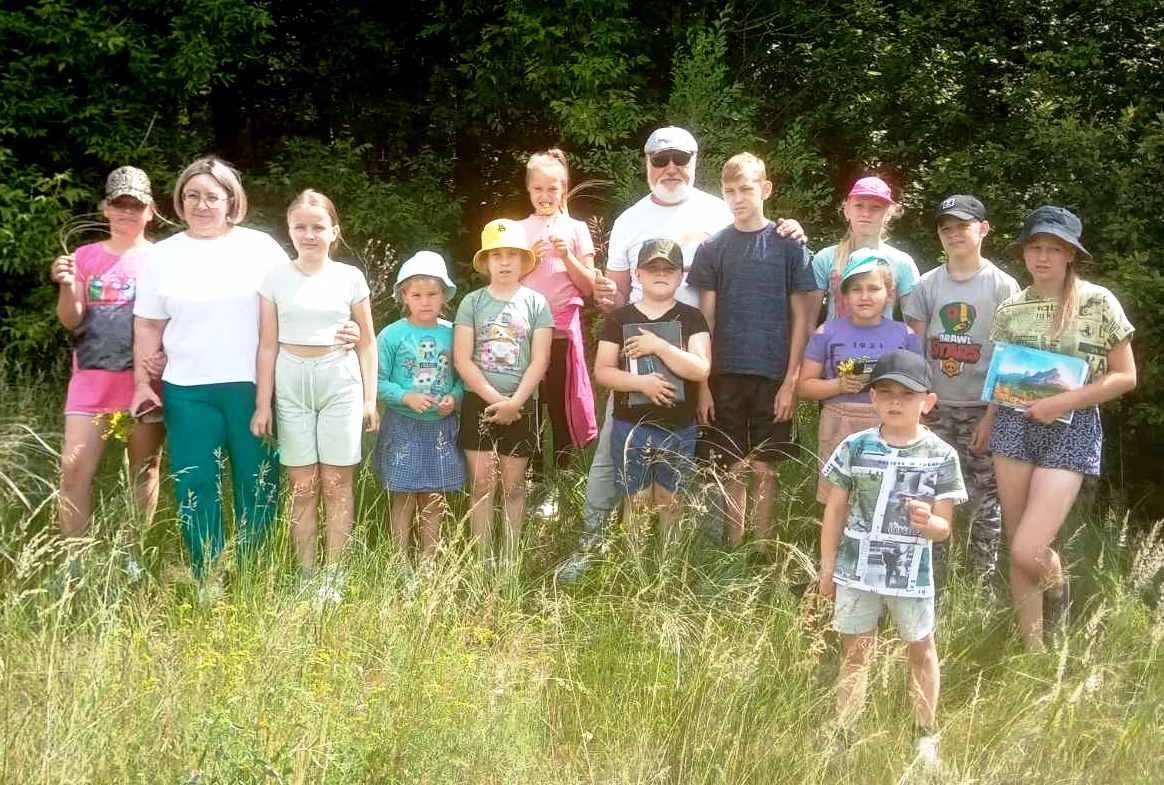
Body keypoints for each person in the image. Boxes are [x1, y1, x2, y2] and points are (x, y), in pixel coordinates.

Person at [559, 127, 804, 580]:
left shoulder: (721, 210)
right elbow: (613, 298)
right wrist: (603, 292)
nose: (670, 167)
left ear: (695, 161)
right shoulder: (629, 220)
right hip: (637, 361)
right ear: (646, 164)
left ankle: (706, 551)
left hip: (707, 359)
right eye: (660, 159)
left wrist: (791, 229)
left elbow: (761, 239)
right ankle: (591, 545)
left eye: (680, 158)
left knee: (708, 457)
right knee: (615, 454)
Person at [131, 157, 357, 591]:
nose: (201, 205)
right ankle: (208, 577)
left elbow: (305, 290)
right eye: (192, 196)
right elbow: (147, 324)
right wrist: (144, 380)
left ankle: (254, 572)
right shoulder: (162, 256)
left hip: (254, 386)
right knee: (197, 482)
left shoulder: (260, 247)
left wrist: (344, 327)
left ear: (231, 201)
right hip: (187, 389)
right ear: (179, 201)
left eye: (212, 196)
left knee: (257, 479)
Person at [986, 206, 1136, 649]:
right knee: (1016, 542)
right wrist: (989, 420)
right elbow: (1003, 375)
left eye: (1054, 248)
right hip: (1013, 426)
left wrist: (1064, 402)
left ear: (1070, 254)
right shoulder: (1012, 307)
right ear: (1024, 252)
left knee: (1028, 548)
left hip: (1073, 427)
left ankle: (1059, 590)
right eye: (1035, 247)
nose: (1043, 257)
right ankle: (1034, 652)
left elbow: (1125, 376)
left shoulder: (1098, 301)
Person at [818, 350, 966, 767]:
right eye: (885, 392)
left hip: (910, 576)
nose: (895, 402)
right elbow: (834, 509)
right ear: (873, 398)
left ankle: (925, 736)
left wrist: (928, 523)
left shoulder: (941, 455)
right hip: (855, 570)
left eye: (907, 394)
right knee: (855, 651)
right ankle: (845, 732)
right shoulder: (854, 447)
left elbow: (944, 527)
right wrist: (828, 568)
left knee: (920, 649)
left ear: (928, 402)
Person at [687, 153, 822, 550]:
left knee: (765, 468)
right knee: (731, 466)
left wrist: (791, 381)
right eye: (729, 191)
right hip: (723, 372)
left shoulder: (789, 246)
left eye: (745, 189)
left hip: (772, 373)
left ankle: (761, 548)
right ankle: (734, 549)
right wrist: (703, 384)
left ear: (765, 189)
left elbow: (803, 318)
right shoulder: (713, 247)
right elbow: (704, 320)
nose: (737, 198)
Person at [250, 190, 377, 603]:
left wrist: (370, 399)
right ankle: (306, 573)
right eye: (300, 227)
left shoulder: (350, 277)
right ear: (289, 230)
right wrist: (261, 404)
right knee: (303, 486)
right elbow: (267, 345)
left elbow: (367, 342)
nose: (309, 234)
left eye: (318, 227)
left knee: (338, 482)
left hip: (338, 380)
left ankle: (335, 575)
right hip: (291, 381)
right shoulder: (273, 279)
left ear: (334, 231)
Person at [50, 166, 165, 577]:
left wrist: (167, 356)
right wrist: (66, 285)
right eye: (120, 203)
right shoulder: (83, 258)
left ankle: (132, 553)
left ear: (150, 211)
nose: (127, 211)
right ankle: (74, 560)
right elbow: (71, 319)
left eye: (136, 205)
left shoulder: (163, 259)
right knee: (74, 468)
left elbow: (175, 319)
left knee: (144, 469)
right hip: (90, 382)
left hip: (145, 384)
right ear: (106, 208)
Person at [904, 195, 1019, 587]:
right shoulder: (925, 285)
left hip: (982, 409)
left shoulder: (1004, 286)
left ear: (983, 229)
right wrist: (919, 406)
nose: (953, 234)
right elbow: (915, 351)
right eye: (945, 228)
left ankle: (978, 586)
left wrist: (992, 415)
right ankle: (929, 580)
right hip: (935, 409)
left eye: (962, 226)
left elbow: (1008, 358)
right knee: (931, 493)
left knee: (986, 498)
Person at [594, 239, 710, 543]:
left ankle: (666, 569)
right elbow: (603, 371)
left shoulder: (691, 317)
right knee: (637, 500)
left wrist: (659, 346)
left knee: (671, 501)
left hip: (679, 426)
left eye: (668, 268)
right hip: (630, 425)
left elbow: (700, 368)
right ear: (637, 275)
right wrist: (642, 383)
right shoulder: (620, 318)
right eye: (652, 267)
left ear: (681, 276)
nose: (660, 273)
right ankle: (636, 570)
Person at [454, 219, 553, 562]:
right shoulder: (472, 303)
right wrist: (497, 401)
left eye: (513, 254)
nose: (506, 262)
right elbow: (462, 360)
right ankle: (481, 559)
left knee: (512, 486)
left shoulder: (537, 303)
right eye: (497, 255)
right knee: (482, 486)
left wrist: (515, 403)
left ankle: (509, 560)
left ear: (525, 260)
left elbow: (540, 361)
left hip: (523, 406)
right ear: (486, 262)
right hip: (478, 404)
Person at [800, 249, 922, 503]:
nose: (865, 296)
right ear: (843, 296)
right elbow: (804, 387)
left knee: (886, 499)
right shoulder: (827, 332)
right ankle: (834, 544)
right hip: (839, 422)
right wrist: (839, 385)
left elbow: (920, 391)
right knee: (837, 499)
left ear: (889, 294)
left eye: (873, 288)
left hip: (891, 424)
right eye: (856, 289)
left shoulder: (906, 335)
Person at [375, 251, 464, 561]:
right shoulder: (391, 335)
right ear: (404, 296)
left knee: (433, 493)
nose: (425, 301)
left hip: (440, 425)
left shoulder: (453, 333)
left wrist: (454, 397)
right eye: (417, 295)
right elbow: (375, 380)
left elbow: (463, 375)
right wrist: (405, 397)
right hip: (403, 425)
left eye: (432, 294)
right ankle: (398, 558)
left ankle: (429, 559)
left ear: (445, 296)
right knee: (403, 493)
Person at [519, 149, 598, 477]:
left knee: (562, 402)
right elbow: (506, 282)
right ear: (528, 189)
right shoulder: (517, 229)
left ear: (563, 190)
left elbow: (589, 285)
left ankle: (564, 470)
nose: (545, 196)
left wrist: (567, 257)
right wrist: (529, 261)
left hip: (563, 331)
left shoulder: (577, 229)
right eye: (538, 188)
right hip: (525, 332)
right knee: (532, 402)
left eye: (552, 189)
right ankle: (534, 474)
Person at [812, 176, 919, 321]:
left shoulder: (902, 262)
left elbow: (915, 322)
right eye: (859, 205)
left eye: (875, 207)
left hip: (885, 343)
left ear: (888, 214)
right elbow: (808, 319)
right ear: (847, 210)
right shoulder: (826, 258)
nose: (866, 213)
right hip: (835, 343)